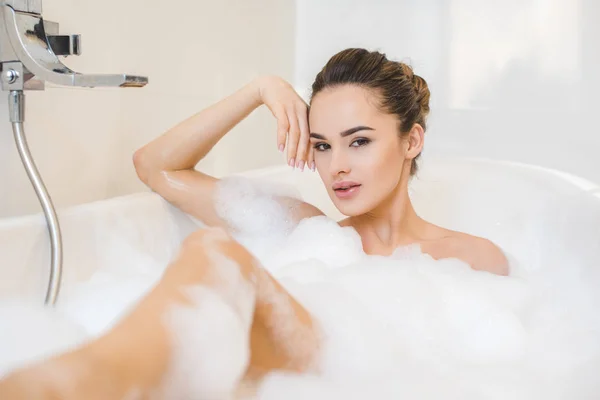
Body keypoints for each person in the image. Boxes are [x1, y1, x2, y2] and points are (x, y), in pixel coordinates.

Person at [0, 48, 509, 399]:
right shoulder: (308, 233)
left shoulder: (473, 260)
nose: (337, 167)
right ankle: (90, 379)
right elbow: (155, 166)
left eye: (359, 141)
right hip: (292, 368)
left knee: (216, 254)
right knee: (213, 252)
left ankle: (80, 383)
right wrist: (258, 90)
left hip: (348, 370)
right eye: (322, 145)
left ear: (412, 141)